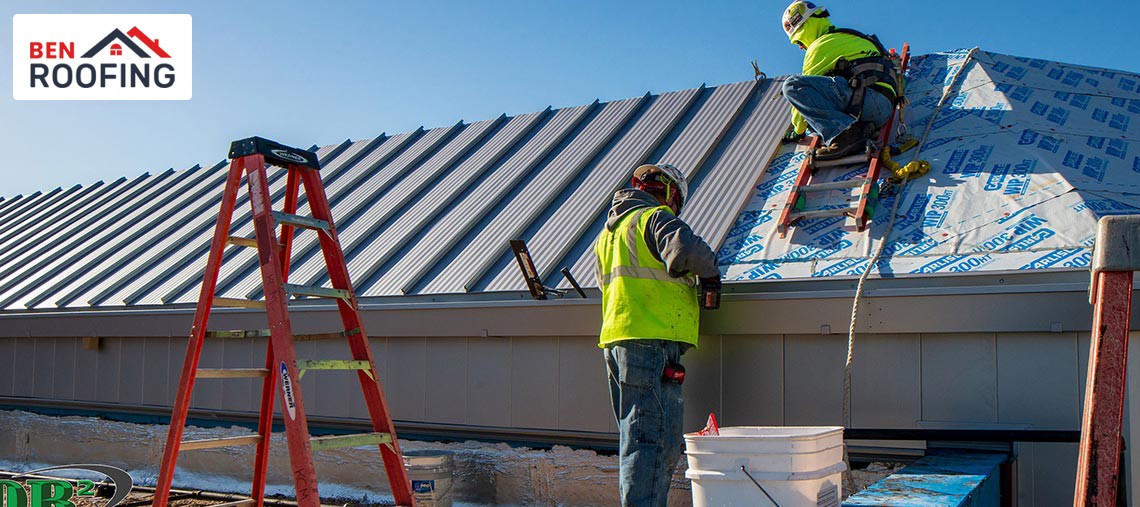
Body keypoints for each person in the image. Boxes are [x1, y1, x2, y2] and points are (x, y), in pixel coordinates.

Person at [593, 162, 721, 507]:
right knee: (653, 442)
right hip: (650, 342)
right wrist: (710, 277)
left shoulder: (608, 234)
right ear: (671, 194)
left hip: (619, 340)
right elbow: (688, 252)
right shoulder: (654, 218)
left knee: (635, 441)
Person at [780, 1, 899, 160]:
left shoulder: (820, 47)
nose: (801, 47)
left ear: (804, 28)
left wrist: (798, 132)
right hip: (885, 105)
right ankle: (859, 130)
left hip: (869, 101)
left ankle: (845, 135)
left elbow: (801, 94)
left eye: (798, 41)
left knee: (792, 85)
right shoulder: (850, 35)